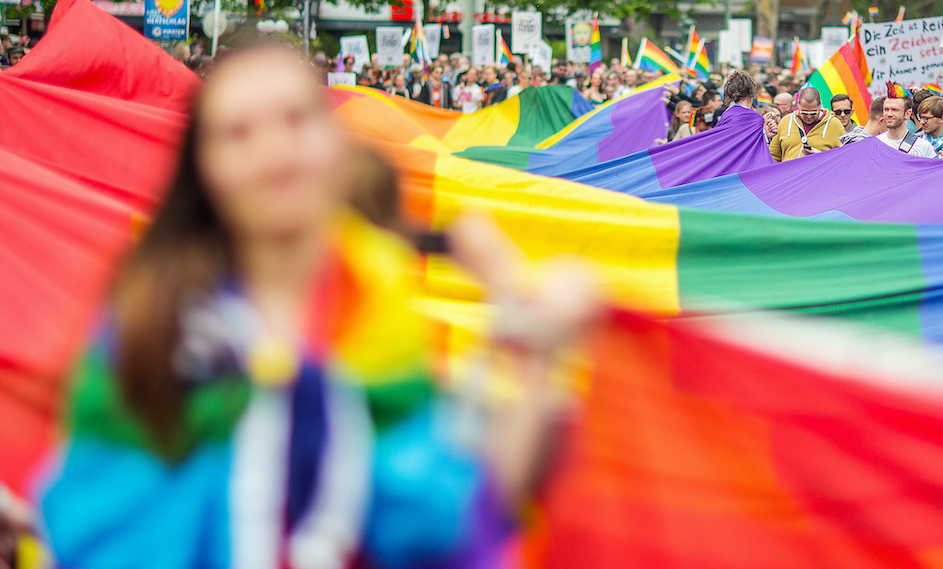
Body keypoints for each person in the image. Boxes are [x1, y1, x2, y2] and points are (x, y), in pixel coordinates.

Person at [37, 44, 596, 569]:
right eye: (239, 132)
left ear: (334, 144)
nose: (274, 151)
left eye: (296, 121)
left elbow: (452, 518)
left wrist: (529, 330)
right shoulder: (149, 315)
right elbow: (94, 520)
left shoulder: (374, 298)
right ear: (203, 167)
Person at [769, 88, 844, 162]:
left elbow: (843, 158)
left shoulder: (834, 124)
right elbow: (773, 156)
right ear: (798, 104)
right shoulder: (786, 121)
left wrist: (821, 156)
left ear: (820, 104)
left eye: (813, 113)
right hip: (789, 173)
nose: (809, 116)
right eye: (804, 112)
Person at [877, 89, 936, 158]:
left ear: (907, 114)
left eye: (895, 110)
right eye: (886, 109)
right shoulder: (876, 143)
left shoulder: (923, 147)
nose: (889, 114)